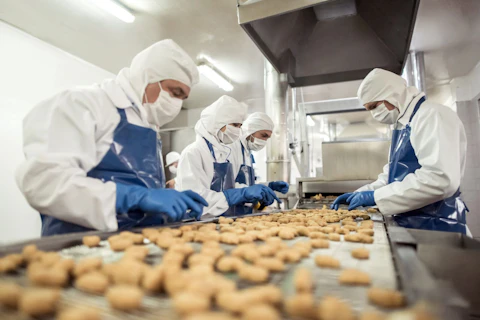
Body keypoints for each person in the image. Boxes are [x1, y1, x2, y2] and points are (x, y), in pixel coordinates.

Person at [16, 39, 208, 236]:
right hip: (79, 247)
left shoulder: (149, 127)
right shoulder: (84, 105)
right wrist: (133, 197)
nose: (176, 104)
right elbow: (43, 182)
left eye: (182, 98)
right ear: (147, 77)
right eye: (175, 92)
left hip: (139, 246)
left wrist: (164, 198)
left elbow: (141, 186)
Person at [331, 68, 468, 234]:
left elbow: (439, 179)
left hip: (437, 226)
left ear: (391, 94)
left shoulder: (432, 116)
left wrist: (375, 197)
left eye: (374, 106)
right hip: (411, 223)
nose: (374, 114)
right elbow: (392, 177)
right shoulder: (403, 126)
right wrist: (362, 193)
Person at [176, 96, 281, 218]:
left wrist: (253, 190)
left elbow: (229, 187)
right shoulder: (193, 153)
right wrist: (235, 195)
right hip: (198, 223)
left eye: (239, 126)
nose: (238, 131)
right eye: (235, 125)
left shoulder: (223, 154)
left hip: (219, 221)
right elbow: (193, 200)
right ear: (217, 123)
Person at [231, 112, 289, 214]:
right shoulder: (232, 148)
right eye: (263, 135)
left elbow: (248, 185)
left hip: (244, 212)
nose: (264, 140)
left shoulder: (248, 152)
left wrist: (269, 186)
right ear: (250, 130)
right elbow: (225, 186)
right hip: (230, 211)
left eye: (267, 138)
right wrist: (247, 192)